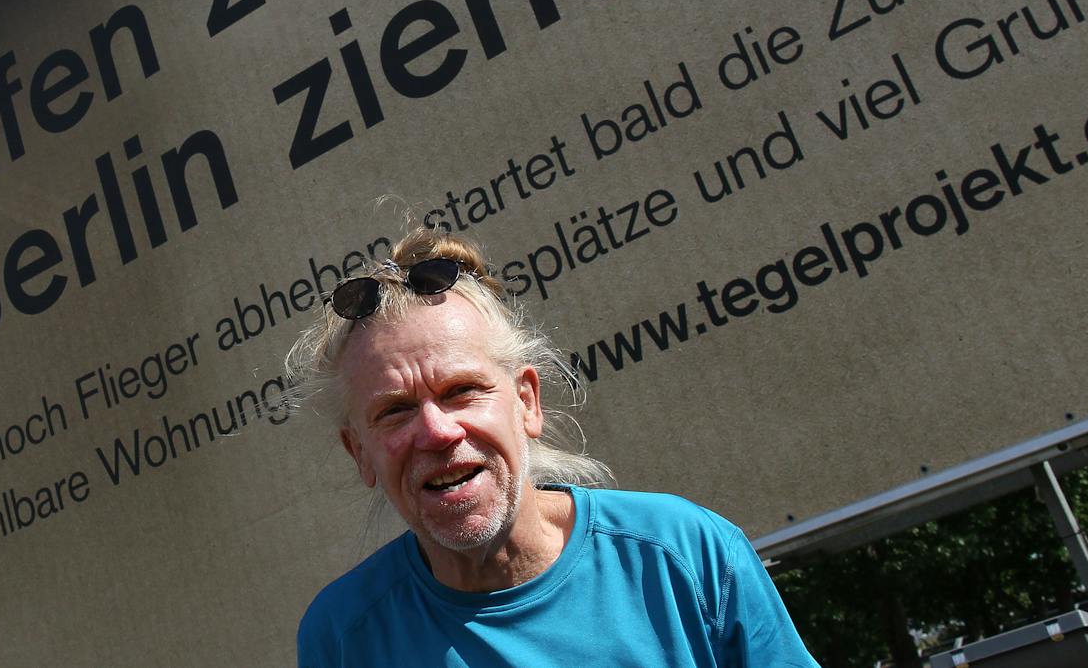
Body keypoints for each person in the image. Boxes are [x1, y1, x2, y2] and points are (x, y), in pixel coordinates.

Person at [285, 225, 820, 667]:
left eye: (462, 391)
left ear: (527, 402)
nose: (437, 432)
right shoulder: (344, 637)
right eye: (395, 410)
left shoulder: (686, 556)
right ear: (360, 453)